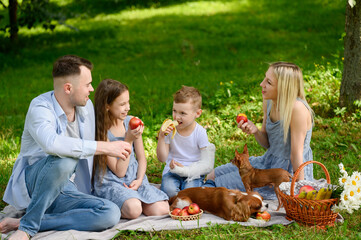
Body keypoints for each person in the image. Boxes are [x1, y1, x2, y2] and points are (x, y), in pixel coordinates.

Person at [0, 55, 131, 240]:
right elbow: (52, 144)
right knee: (66, 158)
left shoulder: (86, 107)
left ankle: (26, 222)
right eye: (87, 85)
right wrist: (104, 147)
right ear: (68, 88)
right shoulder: (40, 107)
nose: (92, 89)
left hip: (68, 187)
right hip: (37, 181)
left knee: (110, 212)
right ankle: (27, 229)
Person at [206, 62, 314, 199]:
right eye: (264, 78)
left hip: (284, 172)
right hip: (267, 163)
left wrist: (300, 189)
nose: (261, 84)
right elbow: (267, 144)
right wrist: (255, 131)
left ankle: (199, 197)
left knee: (217, 183)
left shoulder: (297, 109)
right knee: (213, 174)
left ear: (283, 88)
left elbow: (296, 155)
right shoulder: (269, 101)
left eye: (268, 82)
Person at [92, 79, 169, 219]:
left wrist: (140, 179)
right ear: (107, 106)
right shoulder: (101, 132)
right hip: (113, 181)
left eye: (128, 102)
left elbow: (141, 158)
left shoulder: (131, 122)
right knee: (134, 210)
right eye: (122, 104)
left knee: (162, 209)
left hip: (134, 177)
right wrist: (128, 140)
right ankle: (128, 201)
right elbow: (119, 172)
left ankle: (137, 198)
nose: (127, 107)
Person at [157, 86, 215, 198]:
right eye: (174, 111)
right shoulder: (170, 130)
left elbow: (205, 161)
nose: (177, 117)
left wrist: (186, 170)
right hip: (172, 171)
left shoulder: (200, 132)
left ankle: (209, 185)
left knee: (190, 193)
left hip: (193, 172)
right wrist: (161, 137)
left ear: (197, 113)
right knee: (169, 192)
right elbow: (162, 158)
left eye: (183, 113)